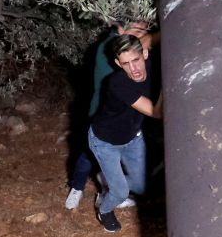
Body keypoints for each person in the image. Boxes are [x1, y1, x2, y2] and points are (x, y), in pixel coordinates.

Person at [65, 21, 157, 210]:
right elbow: (144, 45)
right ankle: (77, 186)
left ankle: (111, 185)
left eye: (144, 31)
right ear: (121, 29)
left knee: (120, 150)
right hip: (101, 111)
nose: (141, 35)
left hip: (125, 111)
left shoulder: (132, 50)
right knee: (89, 153)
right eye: (137, 30)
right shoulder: (109, 47)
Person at [87, 32, 162, 233]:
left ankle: (108, 178)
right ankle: (104, 207)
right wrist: (168, 85)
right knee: (120, 193)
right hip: (105, 142)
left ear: (144, 54)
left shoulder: (155, 66)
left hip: (133, 138)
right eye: (126, 63)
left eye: (136, 60)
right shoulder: (118, 83)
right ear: (118, 64)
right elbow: (157, 112)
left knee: (142, 186)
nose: (133, 68)